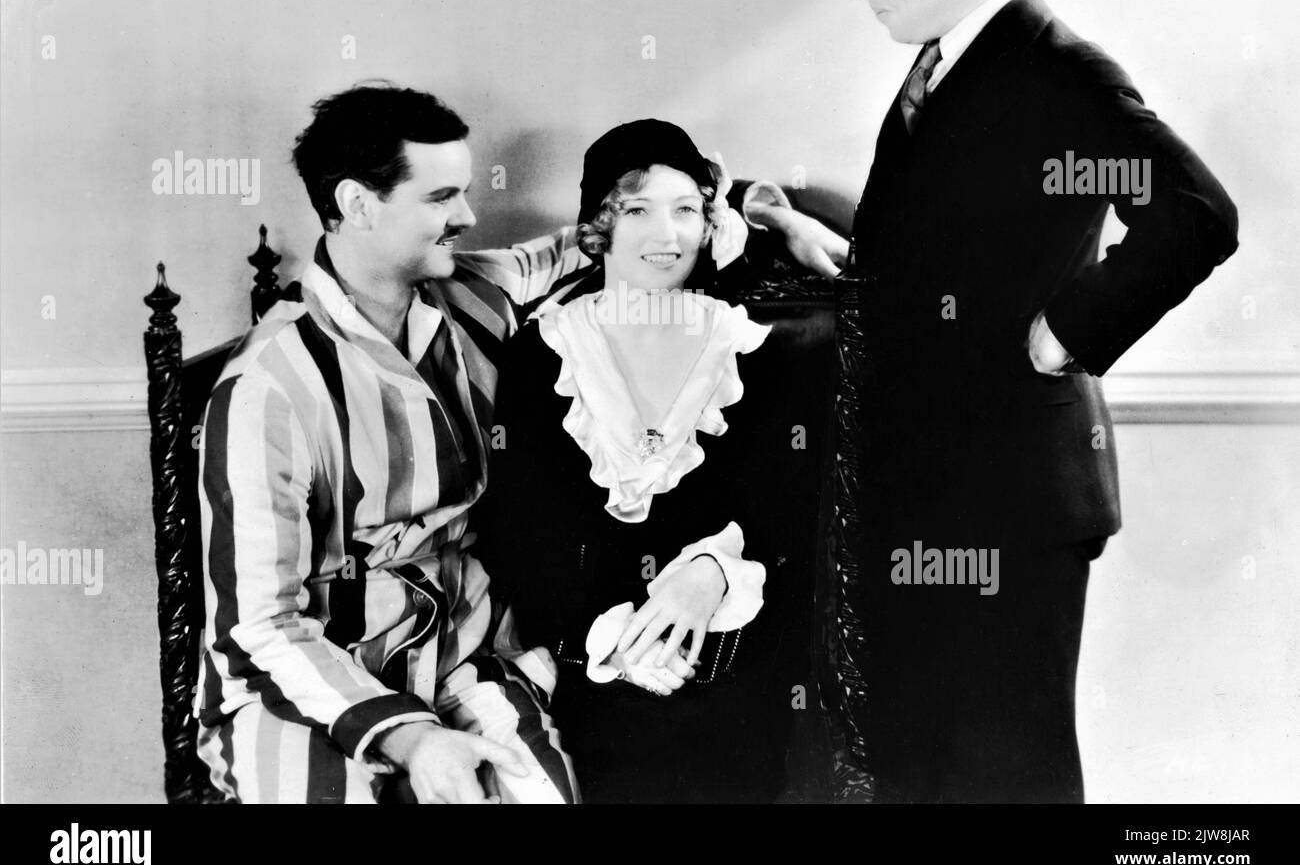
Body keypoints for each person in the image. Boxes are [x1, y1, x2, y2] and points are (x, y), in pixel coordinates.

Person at [196, 84, 845, 803]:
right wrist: (410, 738)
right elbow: (261, 626)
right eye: (442, 197)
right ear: (356, 204)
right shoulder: (269, 386)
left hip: (469, 658)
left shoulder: (477, 293)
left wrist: (766, 213)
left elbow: (626, 227)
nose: (469, 217)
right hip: (319, 677)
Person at [825, 0, 1239, 803]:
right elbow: (959, 252)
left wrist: (1060, 339)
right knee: (925, 764)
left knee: (1005, 773)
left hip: (1005, 499)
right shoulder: (950, 61)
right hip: (936, 488)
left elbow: (1195, 216)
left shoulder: (1057, 72)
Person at [474, 119, 830, 804]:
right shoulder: (542, 356)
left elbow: (791, 515)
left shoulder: (755, 352)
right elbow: (521, 531)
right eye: (638, 210)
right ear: (600, 227)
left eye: (686, 211)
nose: (666, 235)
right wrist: (612, 637)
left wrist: (714, 573)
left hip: (735, 652)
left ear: (709, 225)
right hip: (592, 657)